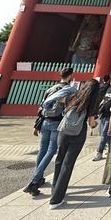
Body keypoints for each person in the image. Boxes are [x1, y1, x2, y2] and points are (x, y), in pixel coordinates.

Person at [23, 67, 76, 197]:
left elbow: (42, 106)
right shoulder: (69, 90)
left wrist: (37, 125)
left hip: (45, 121)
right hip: (57, 122)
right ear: (70, 76)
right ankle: (34, 181)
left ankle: (39, 177)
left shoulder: (50, 89)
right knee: (51, 150)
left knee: (42, 150)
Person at [49, 78, 100, 209]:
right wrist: (95, 125)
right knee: (68, 164)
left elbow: (59, 99)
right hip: (78, 133)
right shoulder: (92, 103)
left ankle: (55, 192)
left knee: (59, 160)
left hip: (63, 130)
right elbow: (91, 122)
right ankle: (56, 199)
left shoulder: (73, 96)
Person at [93, 75, 111, 161]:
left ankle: (99, 152)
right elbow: (104, 100)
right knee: (108, 136)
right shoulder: (109, 89)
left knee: (104, 135)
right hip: (103, 115)